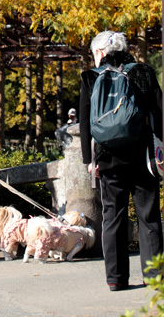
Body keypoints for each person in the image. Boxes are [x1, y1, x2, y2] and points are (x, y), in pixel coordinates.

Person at [79, 31, 163, 291]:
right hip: (143, 156)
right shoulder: (144, 73)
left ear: (100, 53)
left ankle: (116, 279)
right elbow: (159, 114)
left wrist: (88, 160)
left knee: (113, 216)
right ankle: (154, 276)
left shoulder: (91, 77)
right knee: (148, 217)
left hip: (107, 158)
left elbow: (85, 122)